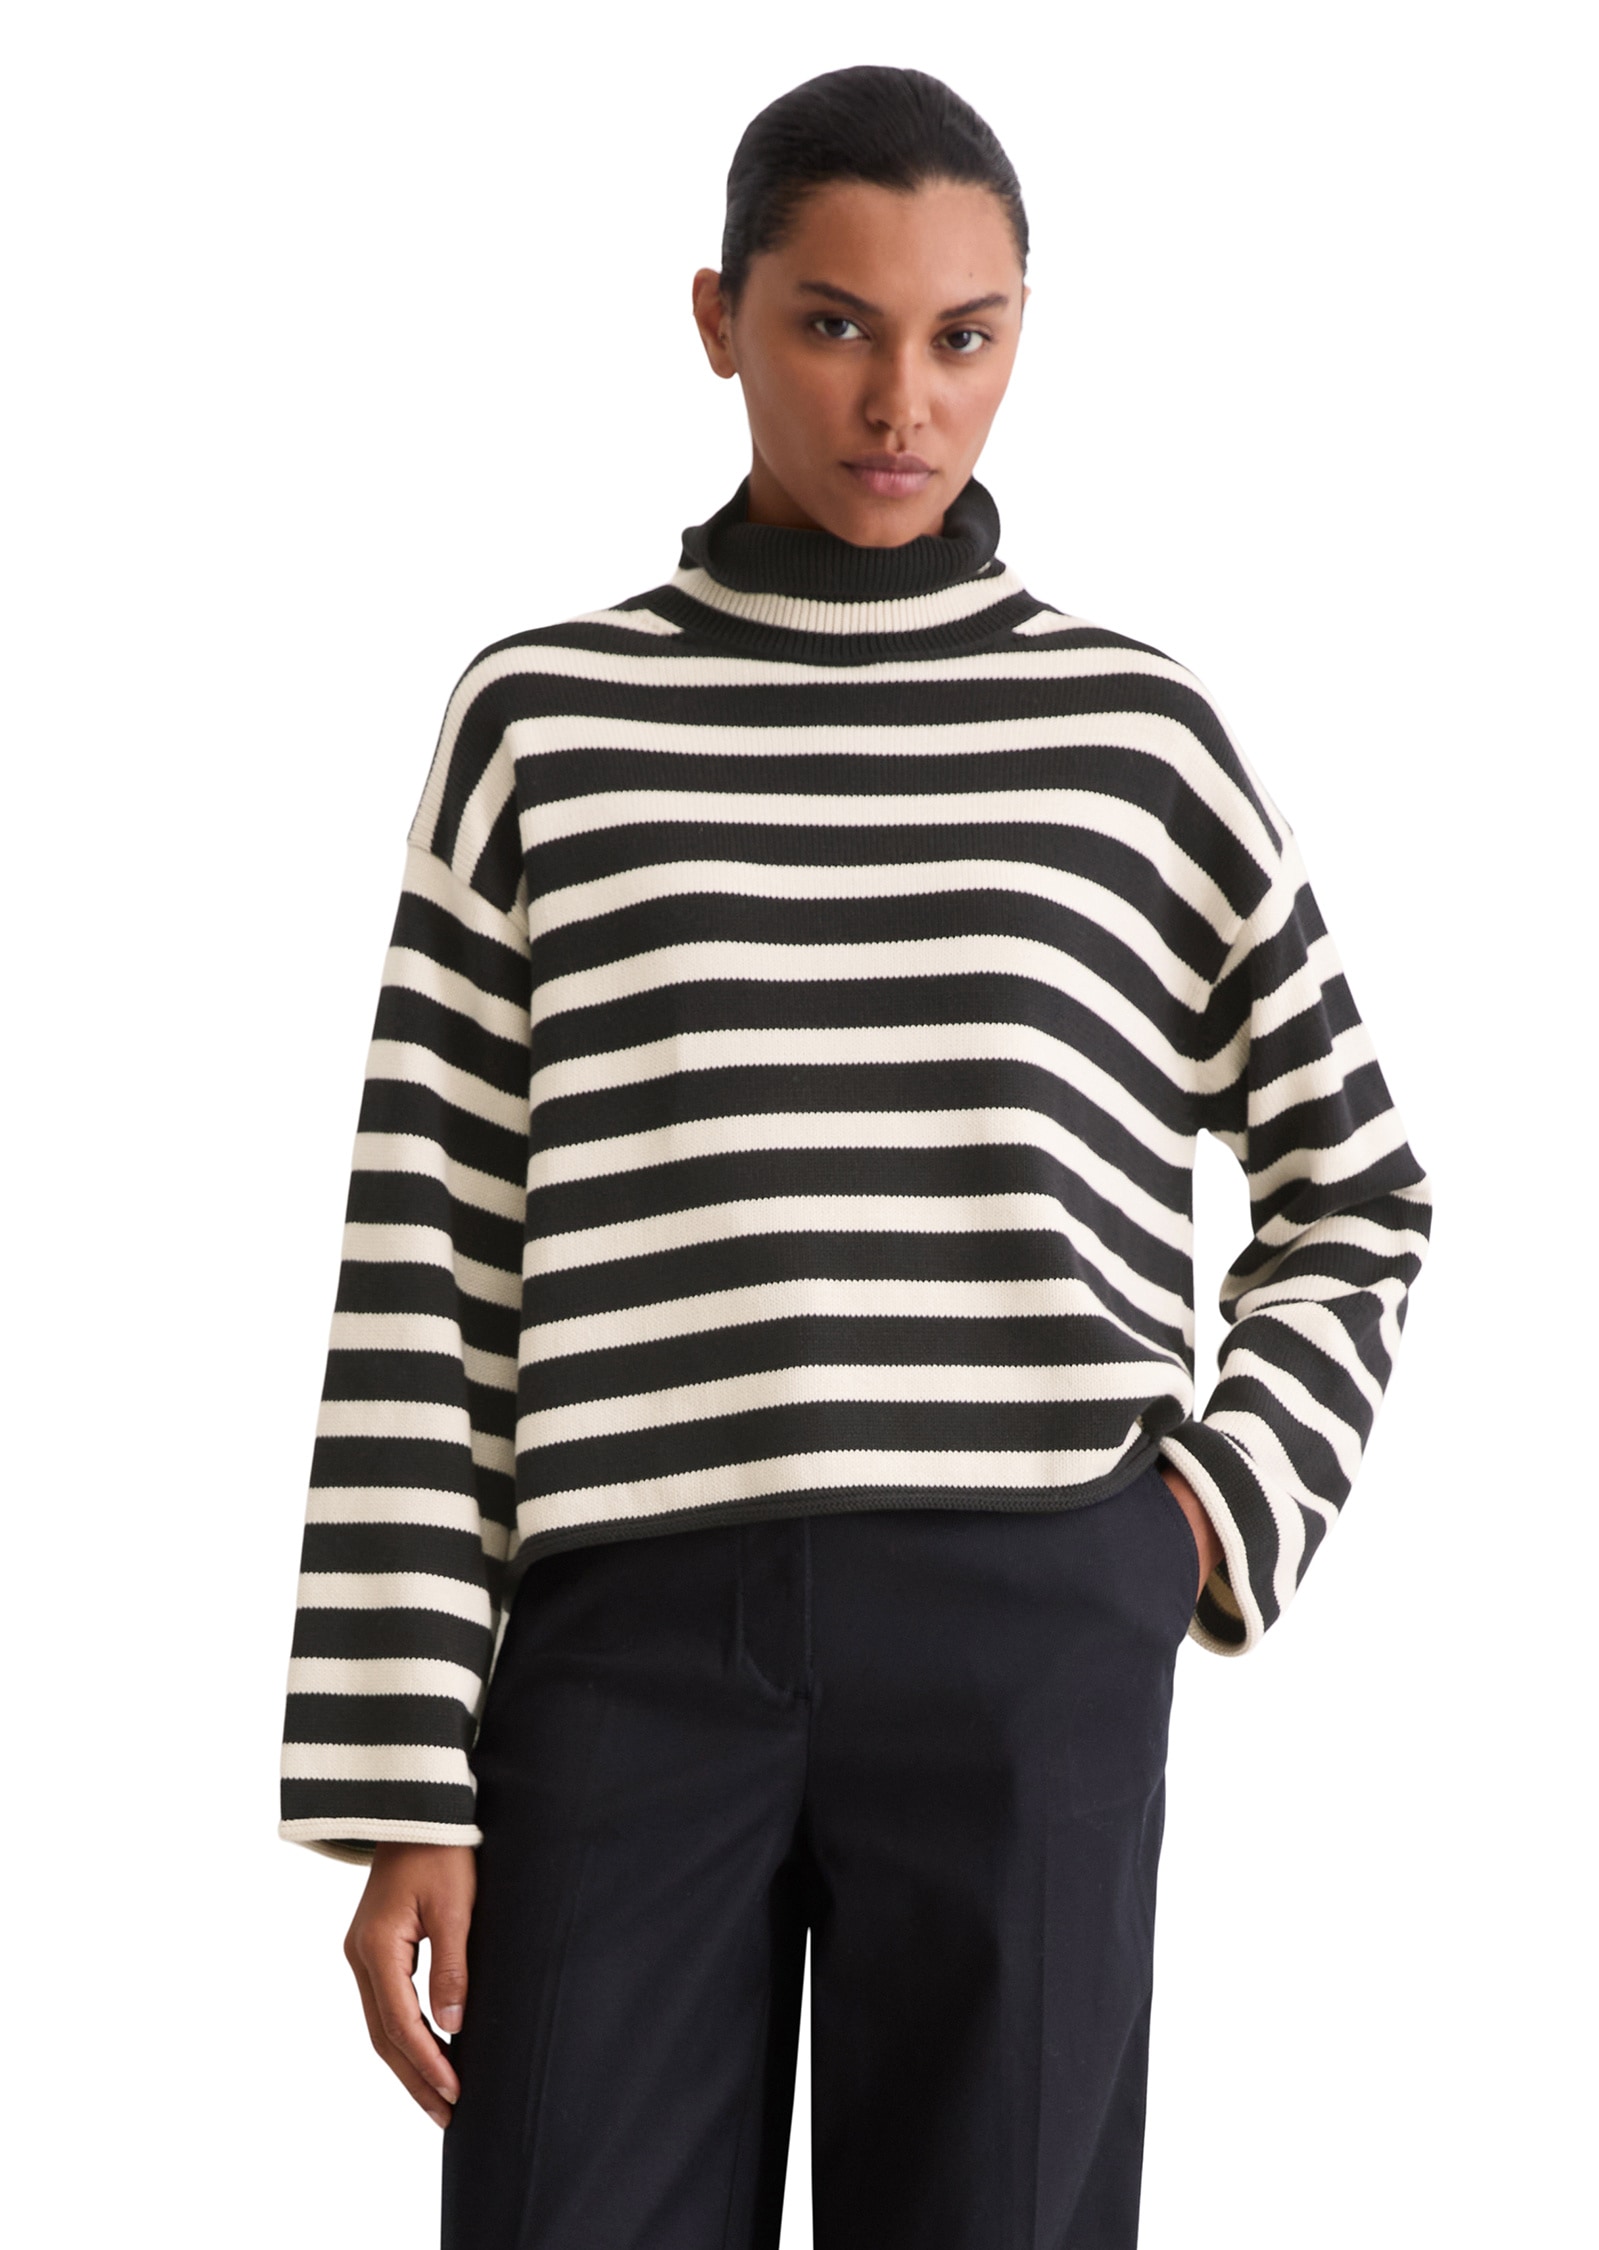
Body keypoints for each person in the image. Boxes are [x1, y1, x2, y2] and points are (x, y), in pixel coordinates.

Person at [279, 63, 1431, 2249]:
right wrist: (399, 1774)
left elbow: (1356, 1183)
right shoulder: (543, 724)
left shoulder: (1131, 737)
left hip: (1027, 1623)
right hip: (626, 1639)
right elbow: (430, 1251)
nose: (903, 400)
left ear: (1019, 335)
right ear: (717, 317)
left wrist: (1192, 1524)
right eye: (834, 325)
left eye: (962, 336)